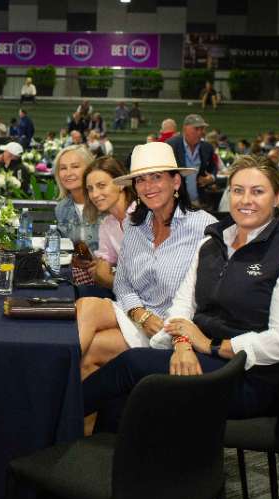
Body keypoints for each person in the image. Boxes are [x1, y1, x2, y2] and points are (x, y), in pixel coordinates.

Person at [83, 155, 279, 422]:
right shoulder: (213, 242)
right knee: (117, 404)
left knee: (132, 364)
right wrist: (182, 344)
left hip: (246, 376)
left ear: (277, 198)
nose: (246, 200)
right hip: (200, 356)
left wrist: (210, 346)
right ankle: (75, 432)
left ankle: (56, 419)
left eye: (257, 191)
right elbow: (184, 304)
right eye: (238, 191)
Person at [75, 142, 216, 380]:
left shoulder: (204, 226)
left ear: (176, 182)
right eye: (140, 180)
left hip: (173, 327)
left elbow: (207, 297)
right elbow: (122, 283)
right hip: (137, 315)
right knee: (87, 304)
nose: (148, 186)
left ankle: (52, 386)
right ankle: (57, 383)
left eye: (156, 177)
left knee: (91, 352)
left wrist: (179, 335)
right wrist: (140, 314)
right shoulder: (134, 225)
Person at [81, 156, 136, 289]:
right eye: (90, 188)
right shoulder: (107, 224)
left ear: (121, 184)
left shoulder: (141, 214)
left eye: (101, 186)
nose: (94, 194)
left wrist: (109, 275)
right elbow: (101, 270)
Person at [53, 145, 98, 249]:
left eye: (75, 166)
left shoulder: (103, 202)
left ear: (90, 169)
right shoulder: (62, 208)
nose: (68, 173)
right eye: (63, 168)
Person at [167, 114, 217, 206]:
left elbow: (213, 168)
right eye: (196, 129)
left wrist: (211, 178)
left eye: (202, 129)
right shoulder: (171, 146)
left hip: (199, 201)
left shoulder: (207, 148)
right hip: (176, 201)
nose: (200, 132)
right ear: (185, 129)